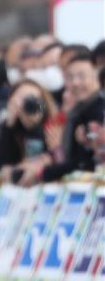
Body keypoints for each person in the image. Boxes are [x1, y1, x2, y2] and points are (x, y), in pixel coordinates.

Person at [22, 53, 105, 185]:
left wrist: (43, 172)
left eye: (82, 76)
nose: (75, 83)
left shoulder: (98, 110)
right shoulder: (76, 112)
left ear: (96, 74)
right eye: (70, 77)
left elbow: (84, 162)